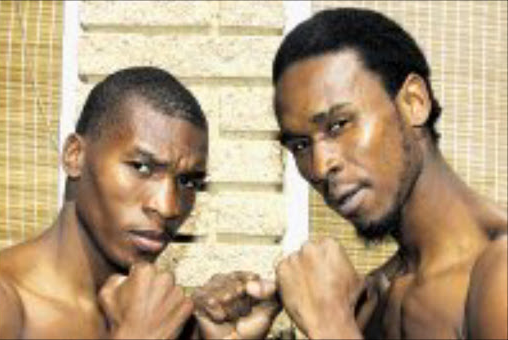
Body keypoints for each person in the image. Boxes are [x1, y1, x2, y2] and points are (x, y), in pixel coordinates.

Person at [193, 8, 507, 339]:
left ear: (414, 102)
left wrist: (330, 324)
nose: (319, 166)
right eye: (300, 145)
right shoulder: (372, 298)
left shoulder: (498, 271)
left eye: (339, 125)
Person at [0, 66, 246, 339]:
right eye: (141, 167)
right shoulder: (6, 301)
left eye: (188, 182)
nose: (169, 207)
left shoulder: (164, 317)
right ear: (75, 156)